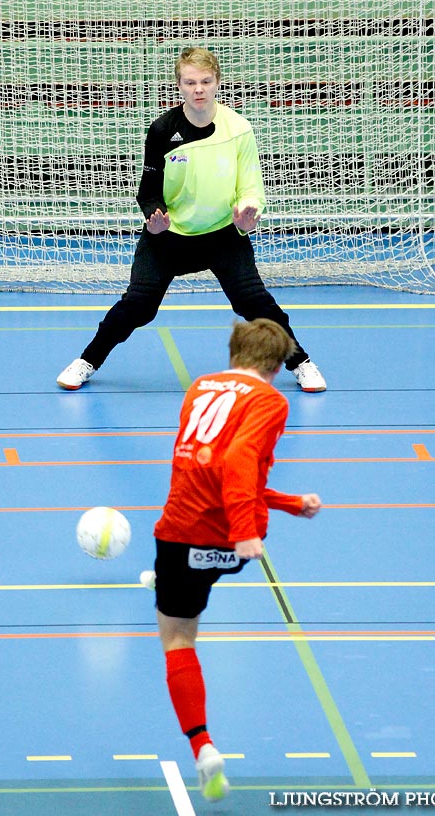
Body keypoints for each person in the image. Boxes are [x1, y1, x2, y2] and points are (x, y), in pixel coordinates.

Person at [56, 47, 326, 393]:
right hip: (170, 238)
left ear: (217, 83)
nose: (198, 88)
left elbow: (250, 188)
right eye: (190, 82)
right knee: (138, 306)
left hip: (223, 236)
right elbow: (148, 190)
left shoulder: (238, 129)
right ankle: (87, 361)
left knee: (254, 302)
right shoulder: (163, 130)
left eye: (205, 81)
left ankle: (301, 363)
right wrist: (153, 217)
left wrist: (246, 214)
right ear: (179, 86)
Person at [140, 318, 322, 801]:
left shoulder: (200, 387)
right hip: (230, 545)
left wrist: (242, 530)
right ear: (280, 366)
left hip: (183, 535)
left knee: (177, 637)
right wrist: (286, 504)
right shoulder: (271, 400)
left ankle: (202, 747)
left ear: (233, 352)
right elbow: (240, 463)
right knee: (195, 579)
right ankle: (169, 578)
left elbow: (229, 460)